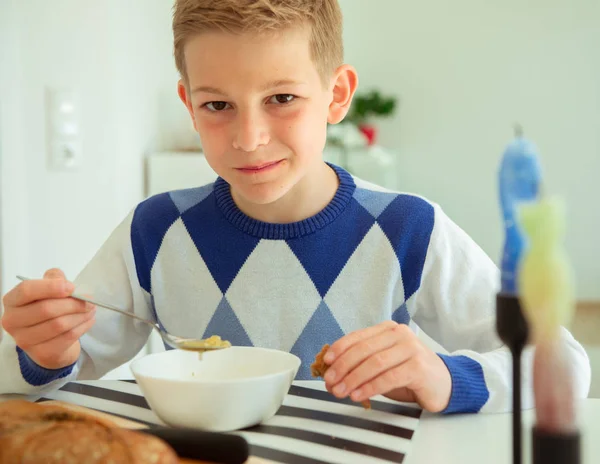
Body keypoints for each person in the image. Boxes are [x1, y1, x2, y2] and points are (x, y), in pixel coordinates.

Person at [0, 0, 590, 414]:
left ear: (336, 96)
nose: (249, 137)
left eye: (282, 98)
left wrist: (444, 376)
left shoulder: (409, 229)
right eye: (217, 105)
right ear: (188, 102)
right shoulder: (155, 231)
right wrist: (43, 353)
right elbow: (44, 374)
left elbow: (562, 363)